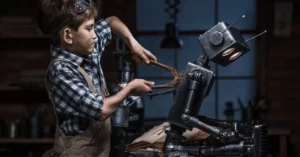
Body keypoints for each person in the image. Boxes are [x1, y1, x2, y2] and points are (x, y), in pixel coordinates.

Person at [37, 0, 157, 156]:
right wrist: (130, 89)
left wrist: (133, 44)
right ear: (68, 35)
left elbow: (111, 22)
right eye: (89, 28)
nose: (95, 35)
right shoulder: (61, 71)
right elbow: (101, 109)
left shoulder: (87, 49)